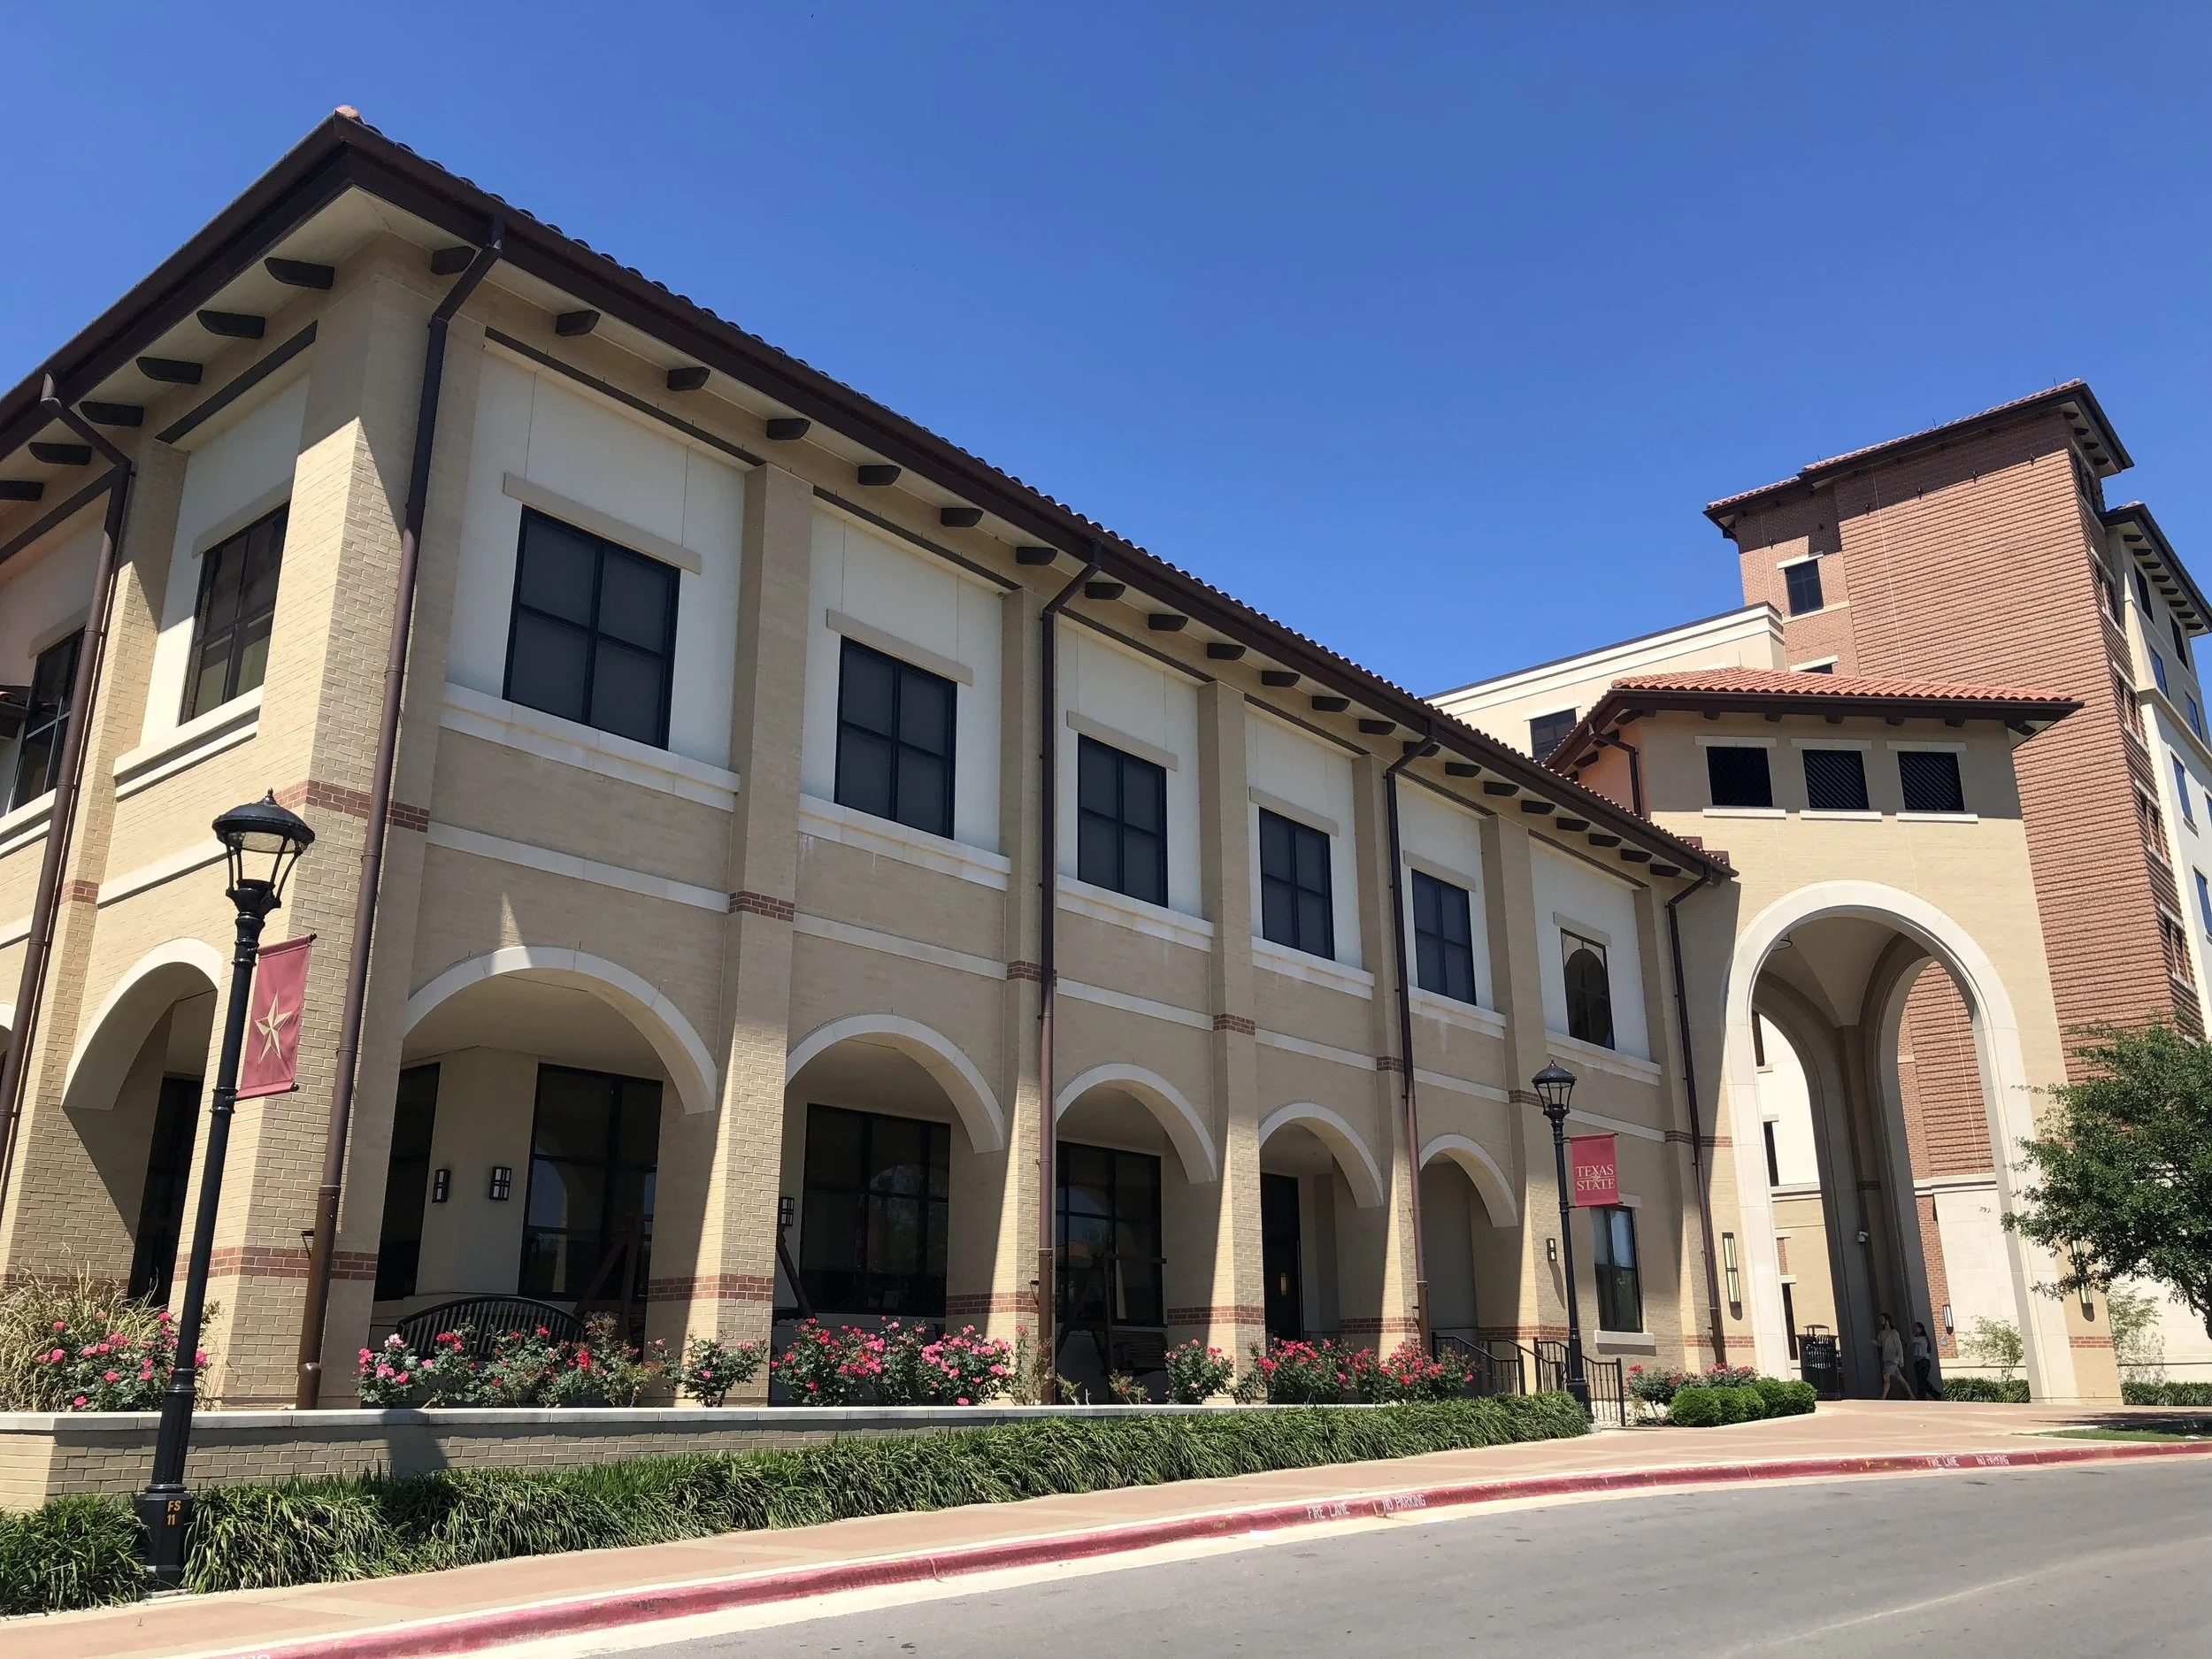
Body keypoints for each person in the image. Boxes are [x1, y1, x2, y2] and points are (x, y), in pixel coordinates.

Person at [1877, 1313, 1911, 1400]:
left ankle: (1883, 1397)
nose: (1881, 1321)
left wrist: (1901, 1360)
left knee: (1886, 1377)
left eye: (1882, 1319)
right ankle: (1911, 1395)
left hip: (1892, 1359)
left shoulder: (1894, 1333)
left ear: (1887, 1320)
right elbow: (1880, 1343)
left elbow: (1899, 1347)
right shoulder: (1882, 1333)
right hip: (1887, 1358)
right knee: (1900, 1378)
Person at [1910, 1321, 1937, 1400]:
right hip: (1919, 1362)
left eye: (1916, 1327)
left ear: (1921, 1329)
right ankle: (1932, 1395)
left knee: (1922, 1381)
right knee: (1922, 1381)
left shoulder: (1922, 1338)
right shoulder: (1920, 1339)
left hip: (1923, 1362)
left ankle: (1925, 1396)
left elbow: (1912, 1339)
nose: (1914, 1329)